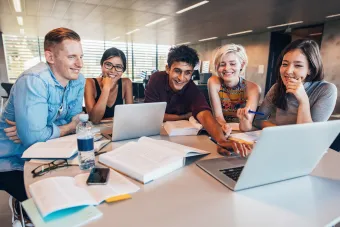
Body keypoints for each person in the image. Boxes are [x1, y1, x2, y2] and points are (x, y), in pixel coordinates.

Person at [0, 27, 85, 226]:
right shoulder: (34, 81)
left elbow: (76, 120)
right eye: (72, 56)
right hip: (12, 157)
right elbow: (35, 138)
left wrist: (37, 131)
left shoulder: (77, 79)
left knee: (79, 188)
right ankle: (22, 209)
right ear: (50, 56)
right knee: (53, 207)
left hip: (48, 152)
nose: (79, 64)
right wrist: (62, 128)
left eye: (81, 56)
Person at [144, 45, 251, 156]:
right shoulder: (156, 79)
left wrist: (221, 140)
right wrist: (184, 116)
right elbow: (152, 115)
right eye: (177, 71)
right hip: (156, 136)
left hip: (180, 138)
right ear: (168, 69)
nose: (181, 78)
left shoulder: (191, 88)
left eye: (187, 73)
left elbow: (204, 114)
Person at [254, 39, 337, 129]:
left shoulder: (326, 89)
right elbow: (259, 118)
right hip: (280, 140)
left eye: (298, 65)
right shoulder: (277, 88)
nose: (288, 71)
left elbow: (309, 134)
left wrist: (303, 100)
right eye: (285, 64)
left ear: (311, 69)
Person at [208, 44, 261, 132]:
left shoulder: (253, 89)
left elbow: (246, 128)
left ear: (242, 65)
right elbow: (218, 117)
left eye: (232, 64)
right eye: (222, 64)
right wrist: (226, 128)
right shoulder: (213, 82)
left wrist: (244, 120)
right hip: (222, 129)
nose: (227, 68)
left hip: (243, 132)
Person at [84, 47, 133, 124]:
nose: (113, 71)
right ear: (101, 65)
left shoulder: (126, 83)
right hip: (95, 132)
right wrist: (106, 88)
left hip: (116, 129)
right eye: (108, 65)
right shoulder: (89, 82)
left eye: (118, 67)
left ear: (123, 70)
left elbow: (130, 116)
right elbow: (95, 119)